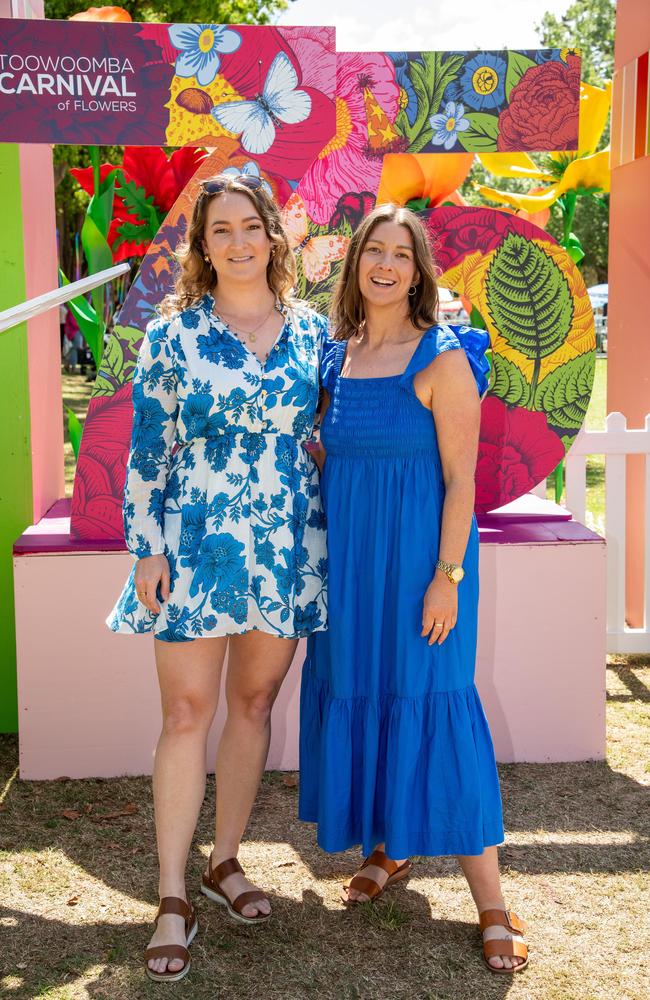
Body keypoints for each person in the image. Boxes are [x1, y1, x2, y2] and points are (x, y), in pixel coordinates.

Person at [107, 173, 328, 983]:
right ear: (203, 246)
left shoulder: (311, 333)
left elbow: (327, 428)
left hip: (285, 544)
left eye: (250, 227)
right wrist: (148, 548)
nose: (237, 242)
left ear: (275, 235)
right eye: (219, 231)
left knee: (255, 703)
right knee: (185, 712)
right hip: (195, 541)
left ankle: (224, 861)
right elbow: (147, 449)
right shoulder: (175, 335)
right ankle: (172, 893)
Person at [299, 204, 528, 974]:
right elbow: (337, 461)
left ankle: (491, 901)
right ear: (356, 263)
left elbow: (462, 480)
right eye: (375, 251)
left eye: (402, 253)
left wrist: (447, 579)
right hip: (351, 572)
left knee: (433, 707)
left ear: (419, 270)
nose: (387, 264)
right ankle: (389, 848)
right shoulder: (337, 357)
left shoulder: (443, 356)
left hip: (422, 574)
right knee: (363, 691)